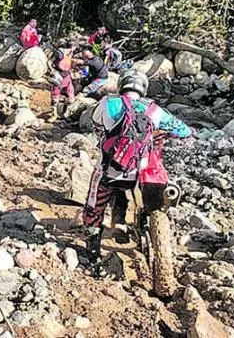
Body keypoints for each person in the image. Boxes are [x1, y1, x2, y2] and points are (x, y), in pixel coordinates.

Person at [82, 71, 195, 262]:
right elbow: (182, 130)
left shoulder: (107, 102)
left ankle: (92, 250)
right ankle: (145, 222)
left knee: (94, 205)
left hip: (110, 170)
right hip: (139, 174)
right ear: (143, 89)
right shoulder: (154, 110)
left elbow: (94, 123)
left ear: (121, 86)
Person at [48, 45, 75, 122]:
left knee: (71, 99)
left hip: (67, 77)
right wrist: (52, 70)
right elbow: (49, 61)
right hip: (58, 77)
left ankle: (64, 113)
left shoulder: (71, 52)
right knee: (55, 98)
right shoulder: (59, 53)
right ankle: (54, 114)